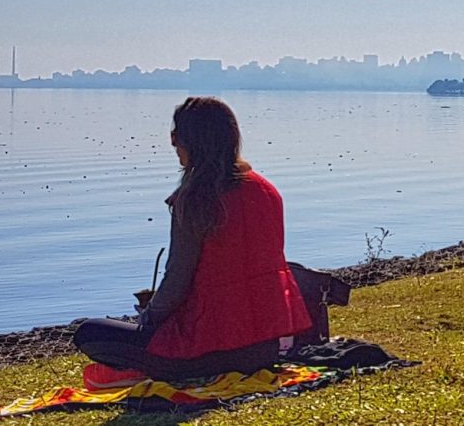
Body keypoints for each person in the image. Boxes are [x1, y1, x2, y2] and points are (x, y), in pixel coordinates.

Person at [73, 97, 312, 382]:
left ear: (191, 141)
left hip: (207, 349)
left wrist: (147, 319)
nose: (174, 144)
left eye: (176, 136)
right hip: (267, 346)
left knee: (90, 332)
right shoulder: (266, 190)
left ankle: (149, 368)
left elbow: (177, 281)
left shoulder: (197, 199)